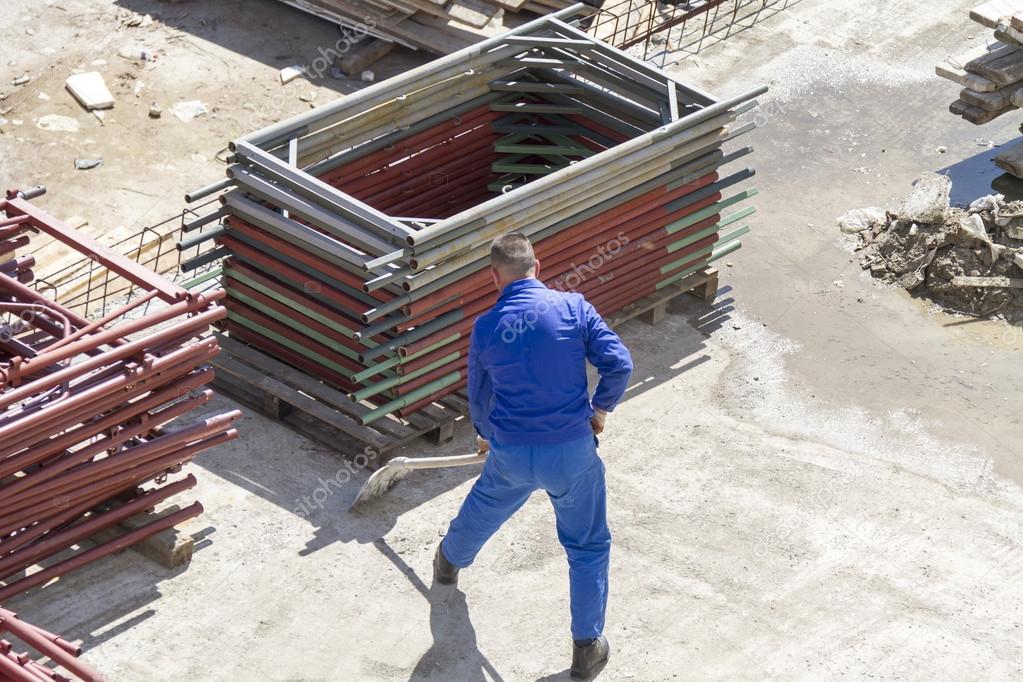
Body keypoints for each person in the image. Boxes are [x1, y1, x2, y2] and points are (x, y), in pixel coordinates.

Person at [434, 232, 633, 680]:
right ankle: (587, 648)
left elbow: (479, 395)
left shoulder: (486, 327)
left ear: (494, 277)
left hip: (513, 452)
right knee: (586, 545)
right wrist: (600, 410)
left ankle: (448, 561)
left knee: (487, 504)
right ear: (537, 267)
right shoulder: (574, 308)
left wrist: (486, 434)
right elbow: (619, 363)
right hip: (571, 452)